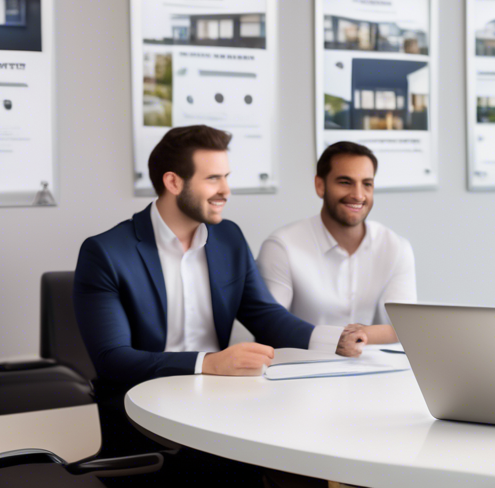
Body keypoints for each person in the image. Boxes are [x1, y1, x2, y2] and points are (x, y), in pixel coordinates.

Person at [72, 126, 353, 483]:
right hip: (144, 415)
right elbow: (113, 360)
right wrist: (209, 363)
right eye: (213, 179)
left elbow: (264, 315)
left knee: (304, 438)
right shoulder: (106, 253)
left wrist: (333, 340)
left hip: (220, 402)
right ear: (173, 182)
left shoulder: (228, 237)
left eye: (227, 177)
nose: (226, 190)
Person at [257, 142, 415, 356]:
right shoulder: (281, 247)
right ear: (320, 186)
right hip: (301, 369)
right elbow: (269, 327)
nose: (358, 195)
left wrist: (362, 335)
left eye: (367, 184)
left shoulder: (396, 247)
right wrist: (335, 340)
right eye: (345, 182)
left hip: (371, 368)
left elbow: (406, 328)